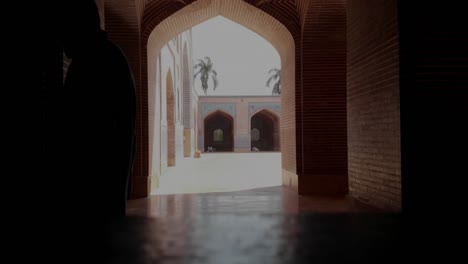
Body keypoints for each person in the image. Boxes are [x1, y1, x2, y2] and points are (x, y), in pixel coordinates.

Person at [59, 0, 136, 218]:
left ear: (79, 26)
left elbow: (79, 133)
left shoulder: (95, 62)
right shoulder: (109, 56)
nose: (62, 40)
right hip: (107, 188)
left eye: (64, 29)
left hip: (94, 190)